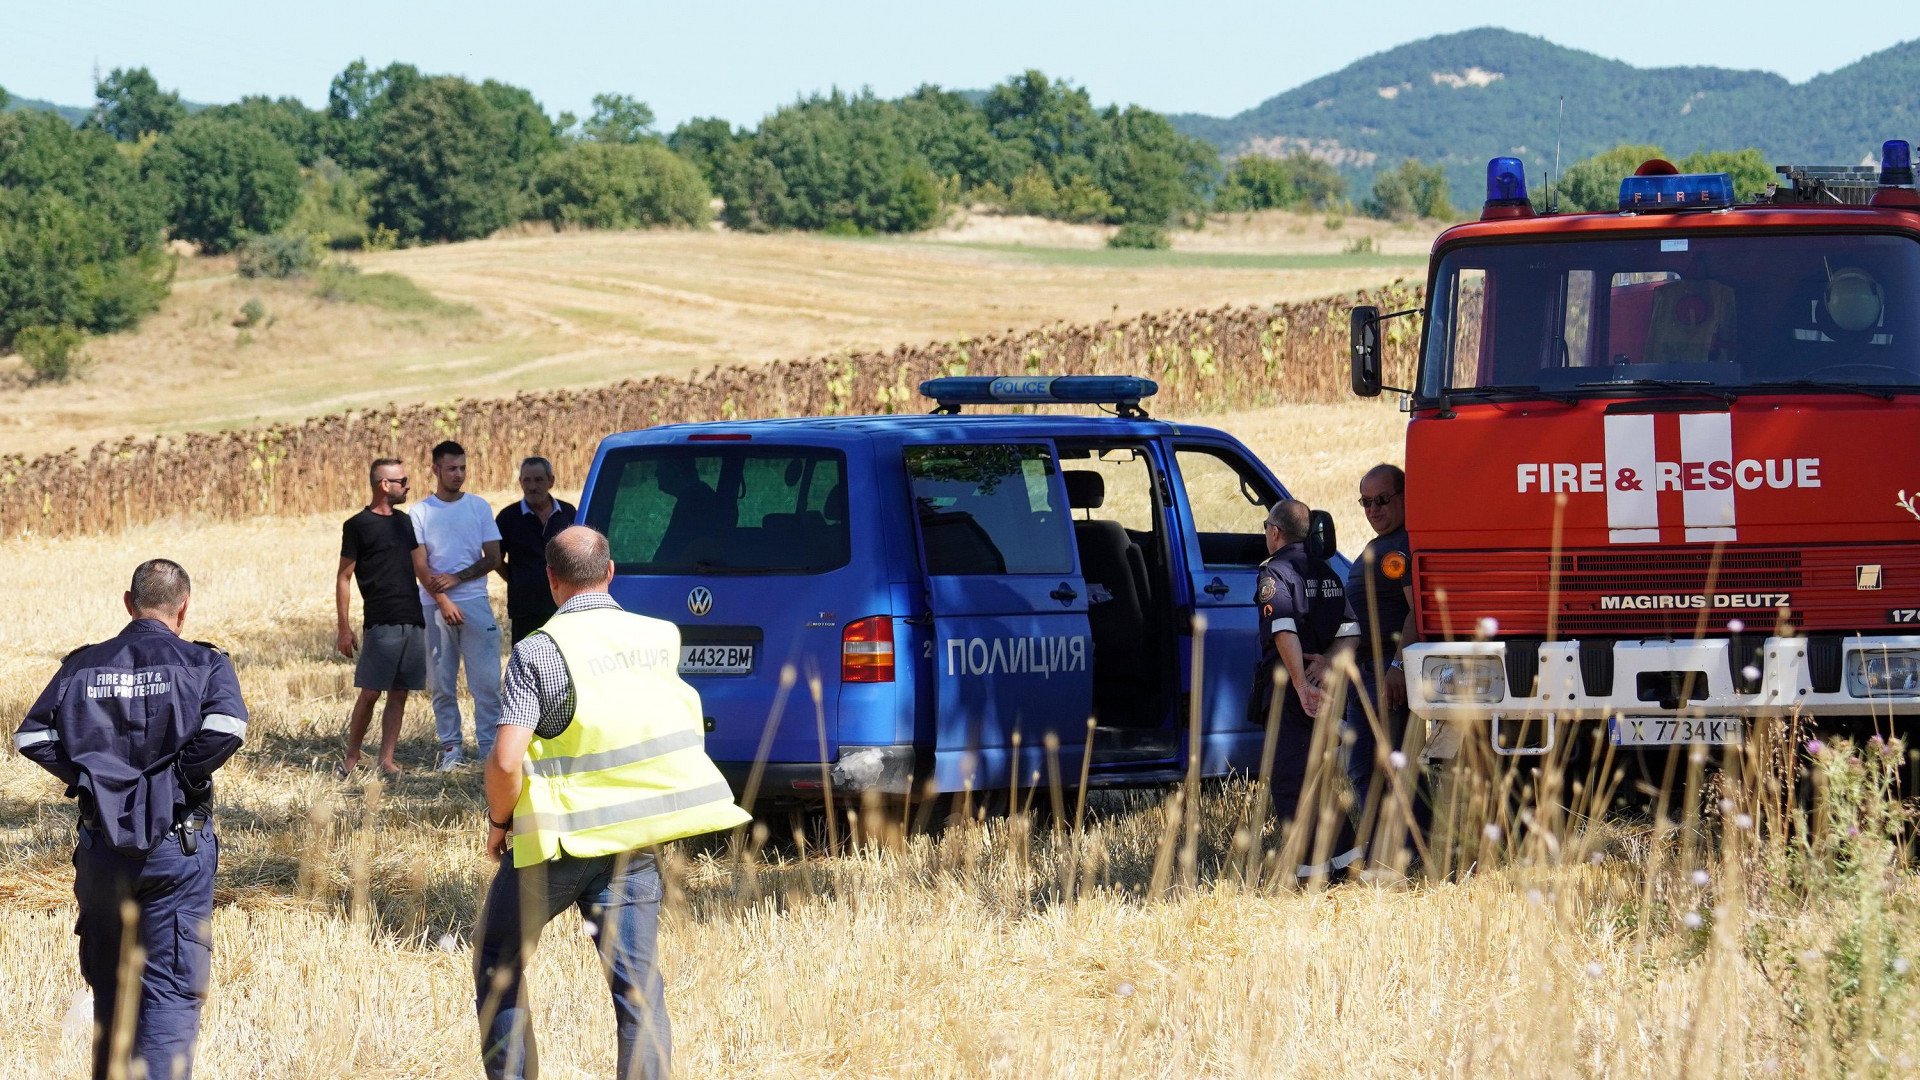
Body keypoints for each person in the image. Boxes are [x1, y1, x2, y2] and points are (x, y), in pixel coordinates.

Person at [474, 526, 750, 1080]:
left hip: (561, 841)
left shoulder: (538, 651)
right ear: (611, 572)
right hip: (637, 836)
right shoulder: (658, 637)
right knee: (637, 989)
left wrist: (499, 822)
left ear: (551, 581)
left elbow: (506, 761)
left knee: (499, 965)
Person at [12, 560, 248, 1080]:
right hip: (176, 848)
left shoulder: (81, 665)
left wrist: (92, 779)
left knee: (112, 997)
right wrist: (174, 779)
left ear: (127, 602)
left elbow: (29, 736)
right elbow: (229, 727)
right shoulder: (204, 662)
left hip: (101, 850)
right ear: (183, 609)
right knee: (168, 996)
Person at [1321, 463, 1430, 872]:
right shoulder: (1384, 544)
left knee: (1370, 765)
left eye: (1382, 499)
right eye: (1365, 501)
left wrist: (1399, 667)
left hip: (1384, 667)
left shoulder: (1400, 548)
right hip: (1365, 669)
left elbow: (1417, 610)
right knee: (1382, 764)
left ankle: (1400, 853)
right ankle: (1411, 846)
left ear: (1405, 496)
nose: (1373, 509)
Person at [1247, 500, 1358, 883]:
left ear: (1275, 531)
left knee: (1291, 779)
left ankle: (1311, 874)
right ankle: (1344, 863)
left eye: (1266, 526)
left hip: (1293, 695)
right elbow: (1350, 633)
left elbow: (1283, 631)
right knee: (1324, 776)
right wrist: (1327, 662)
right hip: (1327, 688)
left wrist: (1300, 684)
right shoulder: (1327, 573)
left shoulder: (1274, 575)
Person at [336, 458, 451, 777]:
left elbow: (421, 568)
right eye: (402, 481)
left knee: (400, 691)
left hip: (412, 618)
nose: (408, 486)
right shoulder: (357, 526)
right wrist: (344, 628)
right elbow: (344, 577)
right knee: (371, 691)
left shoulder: (404, 523)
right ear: (384, 485)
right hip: (380, 619)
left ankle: (386, 760)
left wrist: (442, 601)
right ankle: (351, 756)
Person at [412, 439, 503, 772]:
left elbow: (493, 558)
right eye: (451, 468)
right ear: (436, 469)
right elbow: (420, 565)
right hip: (434, 608)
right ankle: (451, 749)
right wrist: (442, 599)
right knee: (441, 683)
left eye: (463, 468)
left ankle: (489, 752)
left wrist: (458, 579)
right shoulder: (420, 512)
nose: (458, 474)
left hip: (475, 603)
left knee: (487, 683)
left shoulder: (479, 507)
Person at [493, 456, 577, 645]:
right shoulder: (508, 517)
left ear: (551, 481)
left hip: (562, 605)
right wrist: (517, 579)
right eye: (527, 480)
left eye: (538, 480)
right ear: (520, 483)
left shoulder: (568, 513)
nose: (532, 486)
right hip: (525, 607)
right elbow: (495, 559)